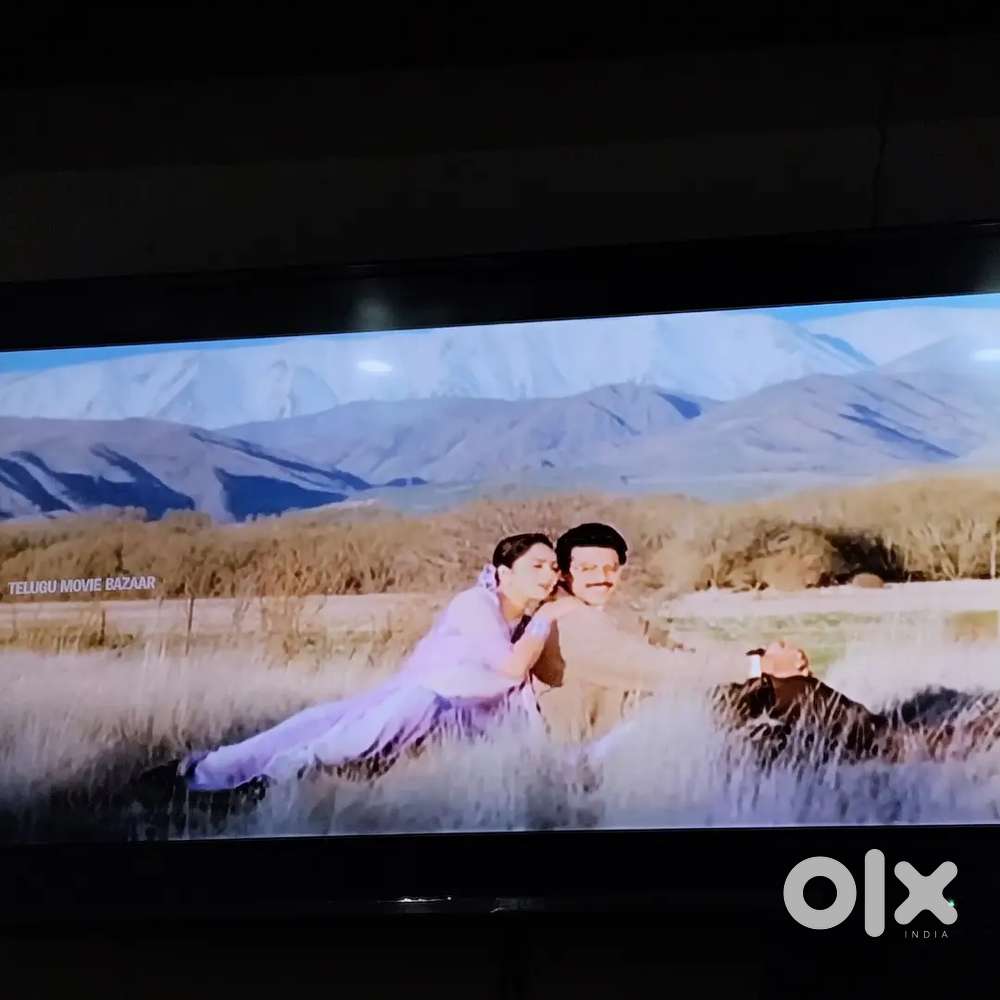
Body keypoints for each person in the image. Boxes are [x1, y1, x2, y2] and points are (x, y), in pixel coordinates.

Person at [174, 532, 578, 792]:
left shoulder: (525, 620)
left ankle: (274, 777)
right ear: (504, 572)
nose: (548, 574)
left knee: (347, 732)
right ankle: (220, 778)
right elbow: (509, 669)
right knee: (314, 726)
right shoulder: (475, 603)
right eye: (536, 566)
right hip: (425, 698)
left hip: (464, 718)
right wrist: (545, 617)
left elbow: (526, 676)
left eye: (553, 568)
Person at [531, 522, 808, 742]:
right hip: (590, 753)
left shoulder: (609, 613)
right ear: (563, 573)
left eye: (610, 569)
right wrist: (759, 665)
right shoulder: (566, 624)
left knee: (771, 690)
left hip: (630, 729)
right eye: (587, 569)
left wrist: (760, 658)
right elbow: (656, 668)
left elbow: (674, 649)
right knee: (765, 697)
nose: (601, 578)